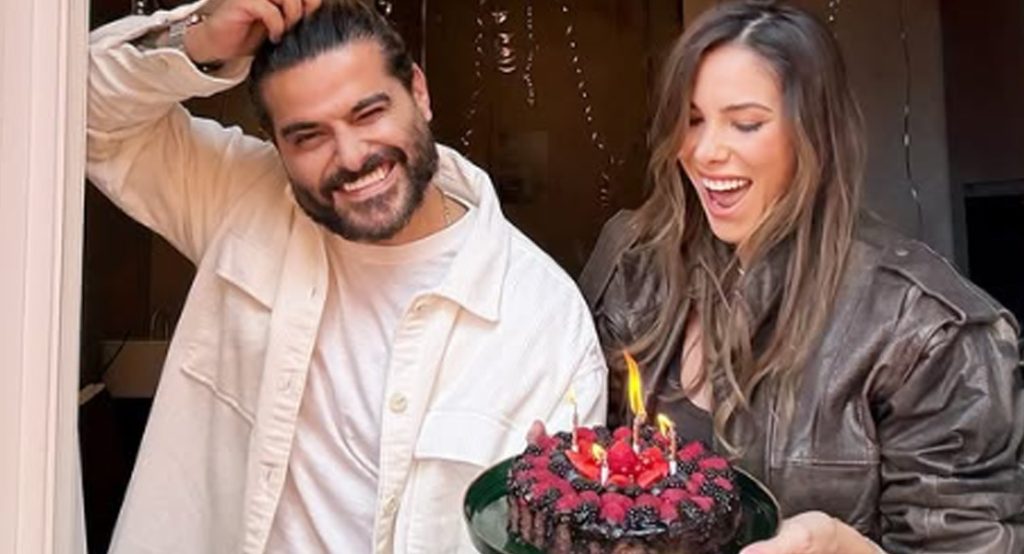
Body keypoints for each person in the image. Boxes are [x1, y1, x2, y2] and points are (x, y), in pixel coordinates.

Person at [87, 0, 607, 552]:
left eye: (368, 114)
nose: (352, 157)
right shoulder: (239, 199)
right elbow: (80, 112)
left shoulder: (544, 322)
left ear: (419, 93)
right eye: (309, 136)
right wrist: (198, 39)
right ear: (277, 144)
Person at [579, 1, 1024, 553]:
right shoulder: (635, 263)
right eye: (692, 120)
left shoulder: (926, 330)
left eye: (745, 123)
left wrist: (840, 545)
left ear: (815, 133)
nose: (704, 151)